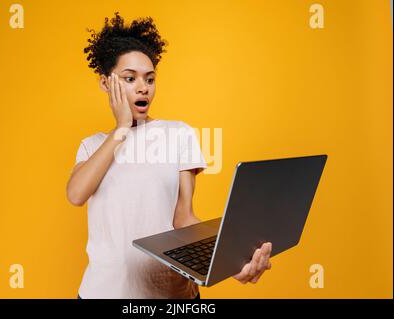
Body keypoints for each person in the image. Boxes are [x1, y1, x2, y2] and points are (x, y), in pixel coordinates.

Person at [67, 12, 272, 299]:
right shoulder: (94, 145)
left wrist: (231, 259)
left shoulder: (178, 134)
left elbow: (183, 218)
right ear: (106, 83)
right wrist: (122, 128)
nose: (143, 87)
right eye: (129, 78)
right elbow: (76, 194)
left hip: (171, 295)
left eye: (149, 79)